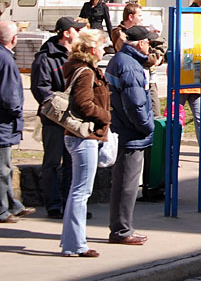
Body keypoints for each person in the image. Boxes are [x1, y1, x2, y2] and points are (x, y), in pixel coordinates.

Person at [60, 28, 111, 257]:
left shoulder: (83, 69)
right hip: (84, 137)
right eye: (101, 46)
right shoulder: (86, 72)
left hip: (82, 137)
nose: (104, 50)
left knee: (78, 191)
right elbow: (83, 104)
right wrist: (106, 115)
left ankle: (71, 241)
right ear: (92, 49)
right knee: (81, 192)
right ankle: (75, 244)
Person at [105, 25, 156, 245]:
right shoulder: (130, 66)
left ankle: (121, 227)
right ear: (141, 43)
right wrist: (147, 126)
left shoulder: (122, 60)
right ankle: (122, 230)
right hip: (130, 134)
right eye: (149, 42)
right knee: (127, 184)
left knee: (123, 183)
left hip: (124, 130)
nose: (151, 46)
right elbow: (134, 104)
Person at [30, 16, 86, 218]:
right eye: (76, 29)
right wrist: (58, 107)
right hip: (54, 120)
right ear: (66, 33)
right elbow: (40, 89)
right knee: (52, 162)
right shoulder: (45, 58)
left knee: (73, 162)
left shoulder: (78, 56)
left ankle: (70, 203)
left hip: (75, 121)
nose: (80, 32)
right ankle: (53, 204)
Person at [0, 21, 35, 224]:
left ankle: (12, 204)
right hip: (4, 122)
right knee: (3, 169)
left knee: (7, 167)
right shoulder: (6, 60)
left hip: (5, 123)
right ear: (13, 39)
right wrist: (16, 111)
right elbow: (9, 95)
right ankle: (4, 209)